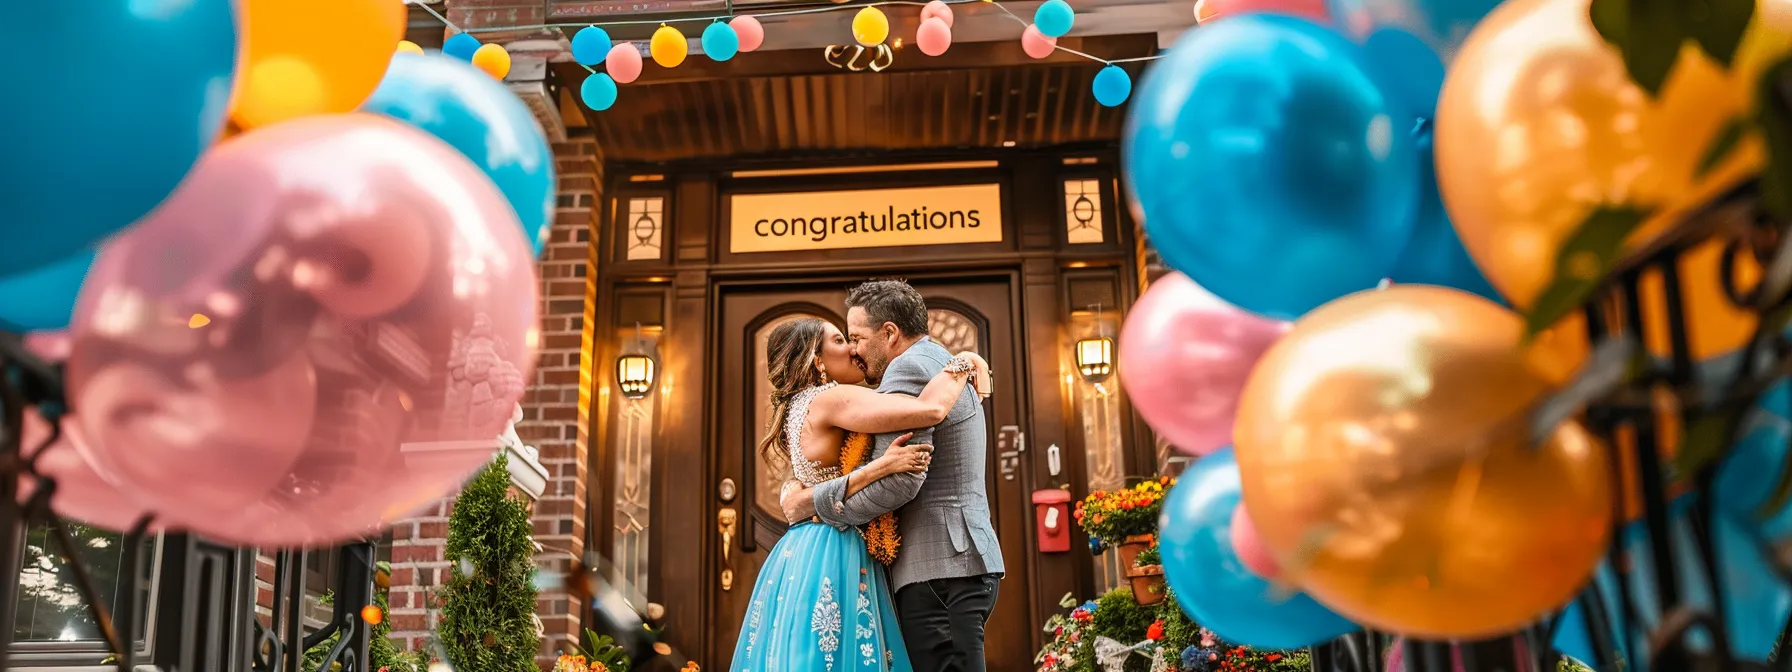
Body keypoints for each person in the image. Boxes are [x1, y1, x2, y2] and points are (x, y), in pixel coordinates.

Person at [729, 315, 989, 672]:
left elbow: (803, 485)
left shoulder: (798, 406)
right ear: (816, 361)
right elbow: (928, 410)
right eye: (839, 341)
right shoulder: (831, 398)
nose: (852, 349)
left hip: (801, 547)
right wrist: (962, 362)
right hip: (837, 544)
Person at [783, 279, 1005, 672]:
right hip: (957, 563)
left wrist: (815, 505)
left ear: (889, 333)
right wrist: (971, 357)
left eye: (856, 337)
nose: (853, 349)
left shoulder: (906, 369)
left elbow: (901, 480)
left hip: (939, 572)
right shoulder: (938, 359)